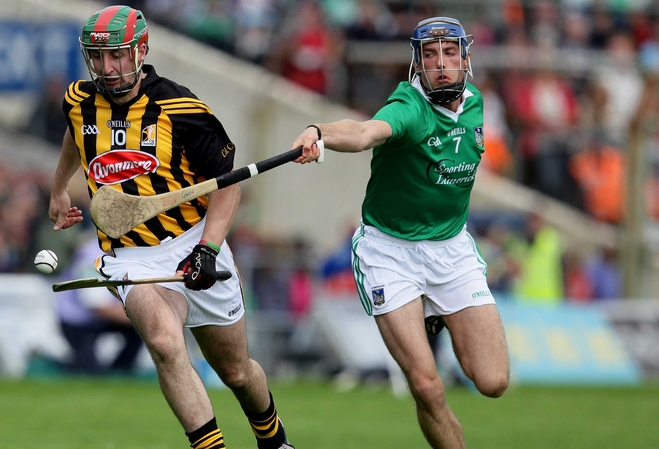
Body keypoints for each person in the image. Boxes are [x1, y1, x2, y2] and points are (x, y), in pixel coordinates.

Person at [48, 6, 293, 449]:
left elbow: (228, 185)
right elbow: (74, 132)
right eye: (98, 58)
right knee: (164, 342)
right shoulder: (79, 101)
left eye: (118, 56)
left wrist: (209, 249)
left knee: (236, 371)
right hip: (129, 256)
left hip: (193, 241)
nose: (108, 68)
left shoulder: (181, 107)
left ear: (140, 50)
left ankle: (273, 439)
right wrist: (59, 188)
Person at [292, 17, 509, 448]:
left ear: (466, 59)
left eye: (449, 53)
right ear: (417, 63)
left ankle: (431, 313)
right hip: (390, 252)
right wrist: (321, 133)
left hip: (450, 249)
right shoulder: (409, 107)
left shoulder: (476, 104)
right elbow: (363, 132)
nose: (440, 64)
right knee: (427, 386)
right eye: (430, 55)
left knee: (494, 380)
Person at [56, 236, 144, 375]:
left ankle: (120, 372)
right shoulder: (91, 257)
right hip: (76, 321)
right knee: (88, 373)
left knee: (138, 331)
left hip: (98, 317)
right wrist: (141, 317)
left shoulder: (122, 252)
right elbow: (97, 306)